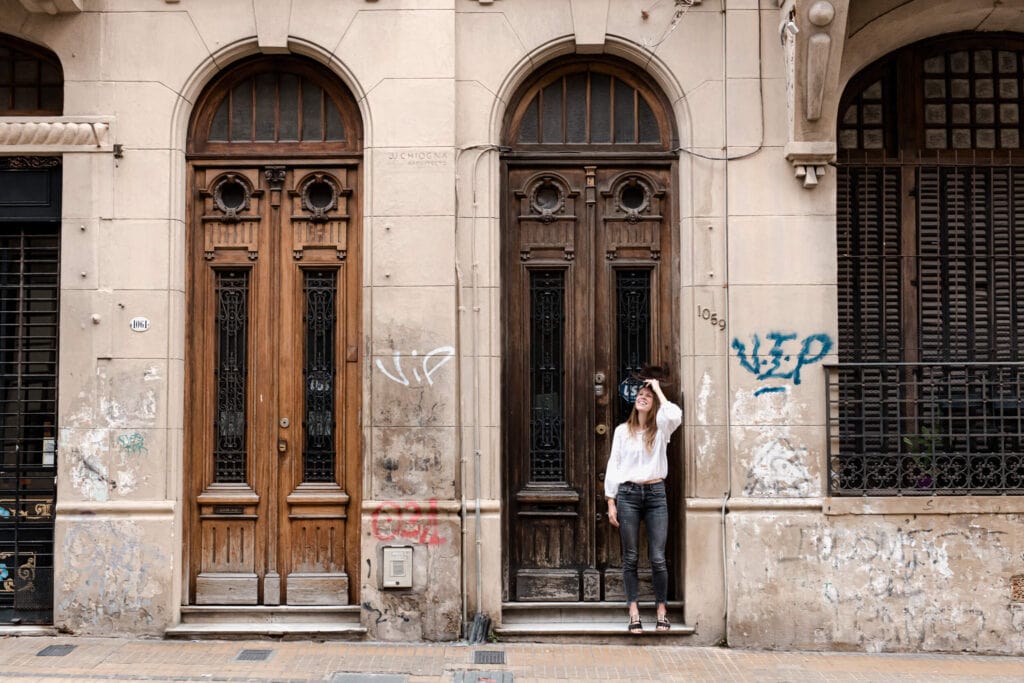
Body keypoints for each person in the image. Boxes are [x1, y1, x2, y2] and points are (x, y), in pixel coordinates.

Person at [604, 368, 682, 634]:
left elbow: (674, 415)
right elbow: (614, 465)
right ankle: (634, 612)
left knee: (658, 558)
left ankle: (662, 611)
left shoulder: (661, 430)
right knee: (631, 558)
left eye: (647, 395)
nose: (643, 397)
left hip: (656, 494)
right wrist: (610, 501)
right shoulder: (621, 432)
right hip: (627, 495)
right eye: (640, 394)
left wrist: (658, 389)